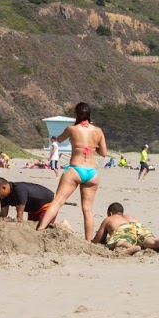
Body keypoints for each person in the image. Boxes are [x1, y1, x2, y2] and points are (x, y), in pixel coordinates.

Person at [37, 102, 107, 240]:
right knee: (87, 210)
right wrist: (92, 147)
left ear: (76, 114)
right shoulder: (98, 131)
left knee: (57, 201)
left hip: (75, 169)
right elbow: (104, 152)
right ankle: (88, 241)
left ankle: (40, 229)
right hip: (92, 172)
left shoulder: (72, 129)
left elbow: (60, 139)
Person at [95, 201, 159, 255]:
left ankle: (131, 247)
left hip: (123, 229)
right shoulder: (131, 217)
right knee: (152, 241)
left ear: (110, 213)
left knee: (120, 241)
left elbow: (98, 239)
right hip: (138, 226)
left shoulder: (109, 218)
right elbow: (134, 232)